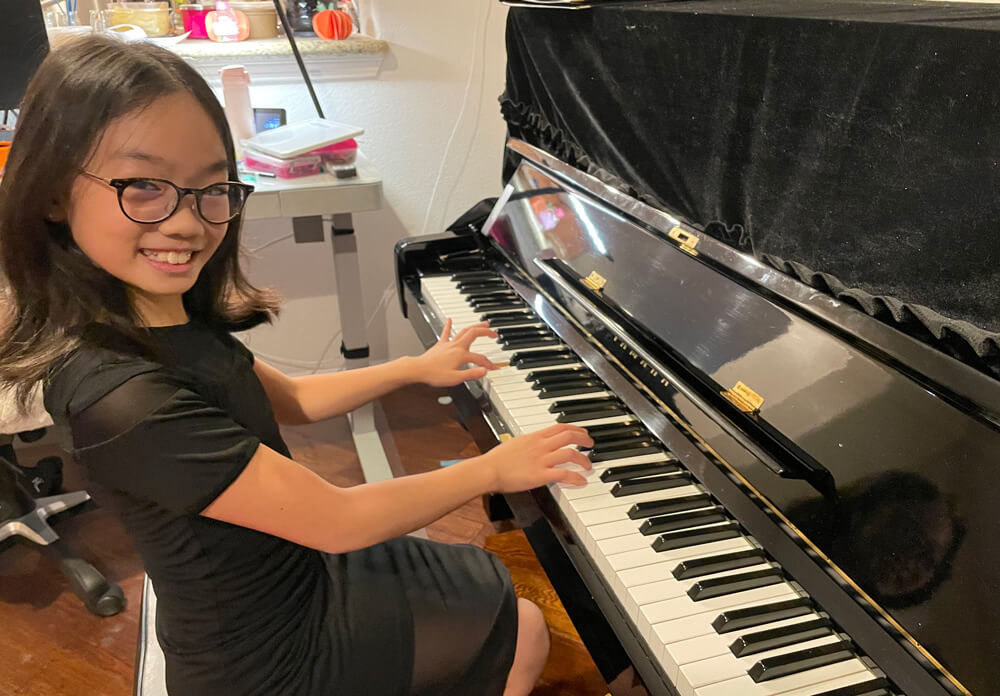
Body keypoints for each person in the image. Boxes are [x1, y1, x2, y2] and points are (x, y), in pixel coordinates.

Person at [0, 36, 593, 696]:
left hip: (294, 577)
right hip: (263, 656)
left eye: (211, 187)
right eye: (144, 186)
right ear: (54, 193)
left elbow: (295, 401)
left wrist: (414, 369)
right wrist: (493, 468)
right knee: (526, 629)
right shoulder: (123, 397)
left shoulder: (161, 314)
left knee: (496, 601)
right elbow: (338, 522)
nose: (189, 222)